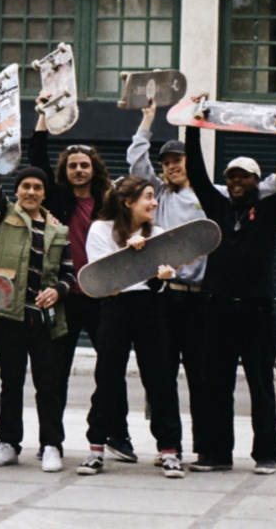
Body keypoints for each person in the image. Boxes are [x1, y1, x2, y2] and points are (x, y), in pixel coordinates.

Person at [128, 101, 276, 464]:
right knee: (161, 378)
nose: (171, 166)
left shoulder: (212, 194)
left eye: (177, 161)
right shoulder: (159, 195)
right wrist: (147, 120)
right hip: (168, 296)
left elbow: (252, 192)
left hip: (204, 300)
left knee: (205, 380)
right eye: (166, 162)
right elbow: (137, 164)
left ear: (189, 163)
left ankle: (208, 448)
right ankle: (170, 448)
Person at [183, 123, 276, 475]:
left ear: (257, 181)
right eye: (232, 177)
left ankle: (266, 453)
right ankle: (217, 453)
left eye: (244, 177)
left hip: (257, 311)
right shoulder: (217, 208)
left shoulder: (269, 212)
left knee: (261, 385)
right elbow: (197, 172)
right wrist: (193, 127)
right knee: (216, 387)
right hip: (218, 311)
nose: (237, 182)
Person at [24, 96, 137, 463]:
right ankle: (51, 442)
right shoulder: (55, 199)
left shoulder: (109, 201)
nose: (78, 170)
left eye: (84, 165)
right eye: (72, 165)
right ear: (65, 170)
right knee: (55, 373)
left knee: (111, 371)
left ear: (94, 168)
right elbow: (37, 156)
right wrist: (42, 116)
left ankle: (115, 436)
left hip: (103, 295)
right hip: (64, 296)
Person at [77, 176, 184, 479]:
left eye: (154, 197)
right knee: (107, 378)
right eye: (148, 197)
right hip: (115, 308)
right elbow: (104, 279)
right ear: (128, 202)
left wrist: (159, 276)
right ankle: (95, 448)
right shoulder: (100, 230)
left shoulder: (158, 234)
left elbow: (154, 284)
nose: (154, 202)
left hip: (150, 308)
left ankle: (169, 451)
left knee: (160, 380)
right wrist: (130, 254)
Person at [0, 164, 75, 472]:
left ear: (44, 193)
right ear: (17, 190)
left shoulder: (58, 230)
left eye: (37, 187)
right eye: (26, 186)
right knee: (11, 382)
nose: (31, 191)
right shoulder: (2, 215)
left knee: (48, 384)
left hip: (45, 319)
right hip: (8, 315)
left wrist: (59, 291)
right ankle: (8, 444)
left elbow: (69, 274)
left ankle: (51, 446)